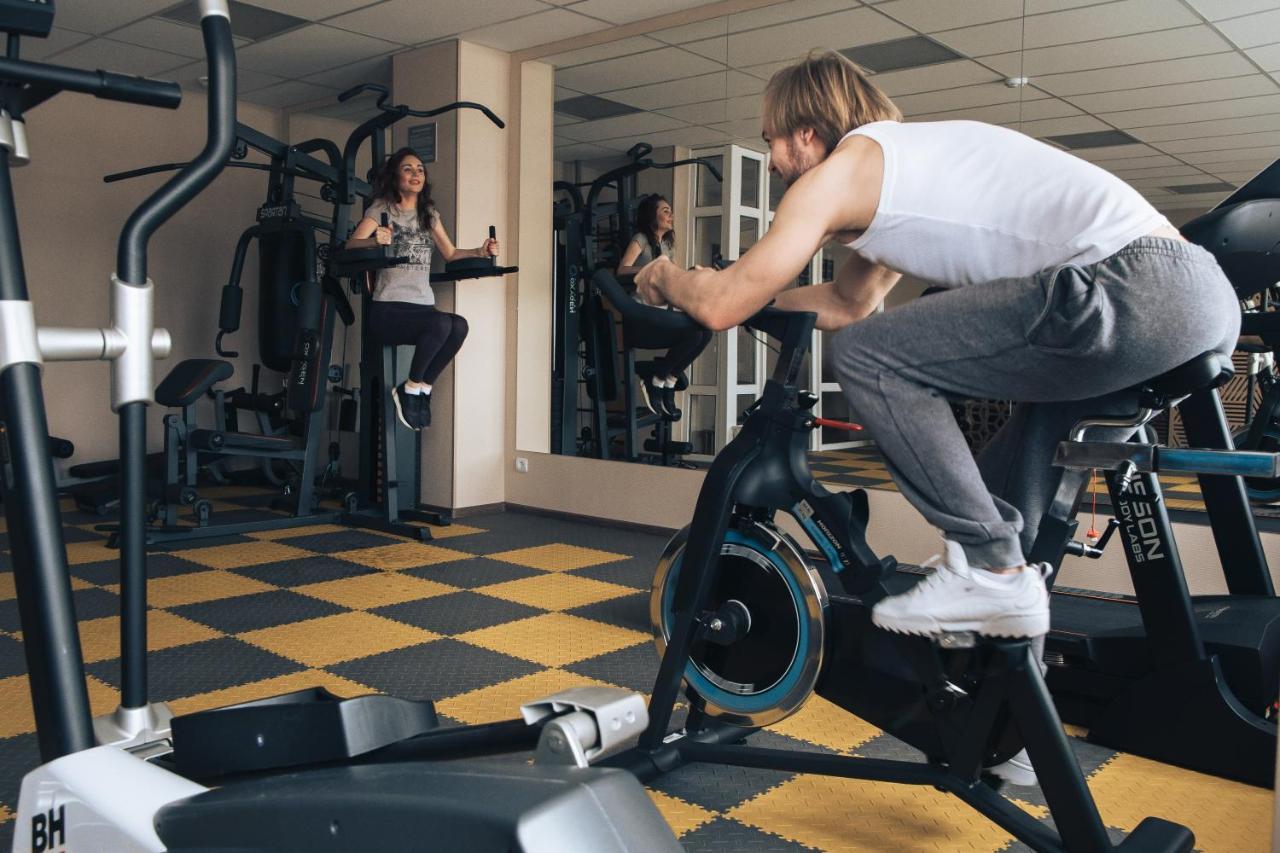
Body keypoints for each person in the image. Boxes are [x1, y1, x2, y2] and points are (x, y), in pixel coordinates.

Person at [635, 50, 1238, 644]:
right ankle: (1007, 695)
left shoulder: (841, 172)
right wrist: (743, 299)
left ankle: (992, 570)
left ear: (807, 133)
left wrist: (669, 279)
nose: (771, 162)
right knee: (1003, 487)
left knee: (869, 358)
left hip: (1132, 287)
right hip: (1195, 303)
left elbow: (722, 306)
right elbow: (846, 304)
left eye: (771, 141)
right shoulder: (903, 169)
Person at [346, 148, 498, 430]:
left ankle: (421, 388)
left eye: (420, 169)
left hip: (420, 307)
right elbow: (351, 245)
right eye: (408, 168)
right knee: (441, 323)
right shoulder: (381, 209)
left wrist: (480, 250)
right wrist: (374, 241)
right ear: (395, 176)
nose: (416, 174)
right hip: (388, 310)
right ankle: (409, 388)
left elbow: (450, 253)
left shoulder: (429, 214)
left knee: (459, 325)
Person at [616, 194, 711, 419]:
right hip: (642, 318)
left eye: (670, 211)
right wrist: (653, 268)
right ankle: (657, 377)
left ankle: (668, 379)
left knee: (705, 332)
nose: (671, 216)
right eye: (665, 211)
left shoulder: (667, 246)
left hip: (663, 315)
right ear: (652, 215)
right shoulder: (641, 239)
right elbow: (622, 270)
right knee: (694, 334)